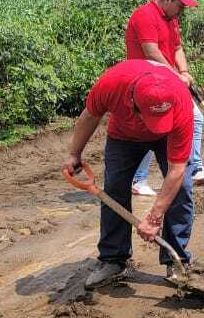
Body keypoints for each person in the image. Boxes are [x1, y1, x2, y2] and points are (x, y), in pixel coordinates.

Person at [64, 60, 197, 288]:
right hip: (123, 136)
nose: (155, 125)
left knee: (181, 188)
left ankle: (177, 260)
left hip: (170, 137)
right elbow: (90, 116)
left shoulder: (181, 101)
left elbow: (176, 169)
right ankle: (114, 259)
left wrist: (155, 216)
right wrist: (74, 153)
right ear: (132, 104)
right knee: (115, 189)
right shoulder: (112, 85)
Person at [126, 0, 204, 196]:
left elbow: (177, 48)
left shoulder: (172, 19)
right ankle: (137, 179)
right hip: (145, 80)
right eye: (180, 5)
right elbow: (150, 51)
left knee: (195, 117)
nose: (182, 10)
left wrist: (185, 72)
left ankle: (195, 169)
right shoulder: (145, 15)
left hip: (167, 79)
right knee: (150, 129)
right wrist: (175, 75)